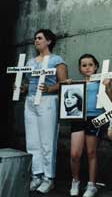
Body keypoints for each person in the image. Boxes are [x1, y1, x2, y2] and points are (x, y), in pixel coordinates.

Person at [19, 29, 68, 193]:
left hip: (47, 101)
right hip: (31, 101)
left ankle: (49, 178)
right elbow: (28, 84)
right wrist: (22, 88)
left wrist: (50, 88)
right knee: (32, 142)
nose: (36, 40)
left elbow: (65, 83)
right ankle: (37, 175)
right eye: (35, 38)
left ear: (49, 41)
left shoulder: (56, 60)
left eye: (39, 38)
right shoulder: (30, 62)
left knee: (47, 141)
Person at [69, 54, 112, 197]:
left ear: (96, 67)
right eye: (84, 65)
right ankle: (75, 181)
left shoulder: (101, 83)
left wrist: (108, 88)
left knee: (91, 152)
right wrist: (66, 86)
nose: (87, 67)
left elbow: (111, 103)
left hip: (95, 117)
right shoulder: (76, 84)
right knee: (75, 154)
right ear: (80, 69)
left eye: (90, 65)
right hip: (78, 118)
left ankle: (91, 185)